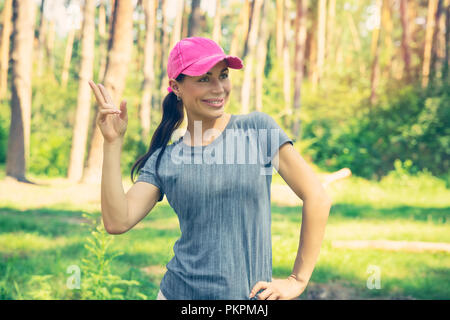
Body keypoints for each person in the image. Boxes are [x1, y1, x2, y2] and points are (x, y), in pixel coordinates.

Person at [89, 37, 332, 300]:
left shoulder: (257, 130)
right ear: (176, 87)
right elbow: (117, 221)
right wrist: (112, 143)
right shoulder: (165, 158)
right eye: (204, 79)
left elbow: (316, 196)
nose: (218, 88)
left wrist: (297, 280)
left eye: (223, 75)